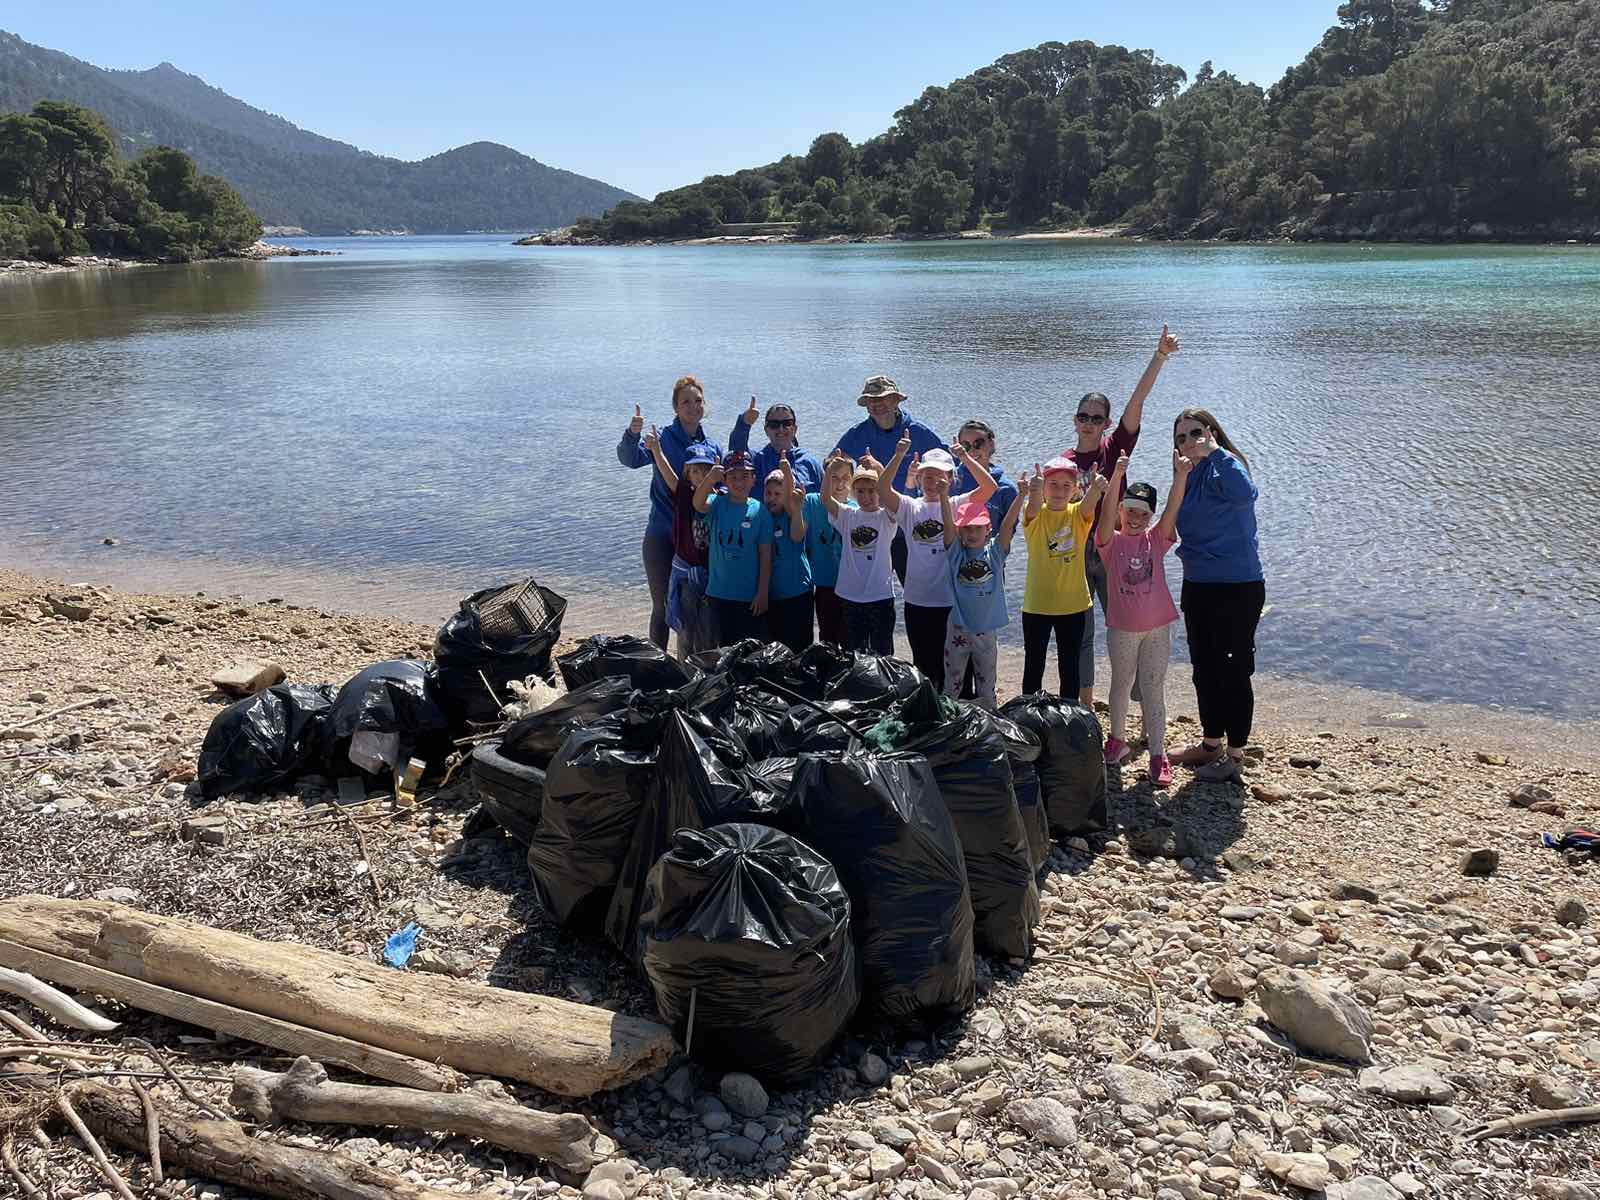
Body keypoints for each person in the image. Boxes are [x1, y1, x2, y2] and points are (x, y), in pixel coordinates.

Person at [1066, 326, 1181, 708]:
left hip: (1115, 550)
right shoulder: (1064, 464)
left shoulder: (1114, 448)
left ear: (1106, 425)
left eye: (1097, 418)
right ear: (1075, 419)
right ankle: (1085, 702)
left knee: (1130, 622)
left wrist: (1160, 357)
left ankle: (1139, 692)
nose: (1089, 423)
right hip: (1081, 553)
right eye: (1084, 416)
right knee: (1083, 629)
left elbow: (1137, 400)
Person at [1169, 408, 1264, 784]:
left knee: (1234, 669)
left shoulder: (1229, 464)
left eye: (1195, 433)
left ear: (1210, 432)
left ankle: (1236, 753)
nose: (1188, 441)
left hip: (1238, 585)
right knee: (1203, 667)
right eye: (1181, 437)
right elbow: (1173, 521)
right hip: (1198, 583)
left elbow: (1245, 495)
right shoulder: (1188, 475)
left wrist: (1214, 452)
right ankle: (1210, 743)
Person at [1094, 450, 1192, 788]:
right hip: (1122, 629)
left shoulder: (1156, 541)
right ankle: (1117, 741)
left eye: (1142, 513)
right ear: (1122, 511)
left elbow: (1171, 510)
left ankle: (1157, 753)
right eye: (1130, 511)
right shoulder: (1110, 542)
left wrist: (1180, 476)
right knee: (1120, 684)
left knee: (1153, 688)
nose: (1136, 518)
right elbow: (1105, 515)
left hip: (1158, 628)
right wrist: (1117, 477)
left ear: (1149, 518)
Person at [616, 377, 724, 650]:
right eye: (685, 402)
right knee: (662, 606)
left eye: (697, 401)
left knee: (698, 603)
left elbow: (723, 492)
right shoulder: (662, 437)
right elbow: (630, 459)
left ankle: (691, 663)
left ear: (705, 405)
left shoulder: (712, 447)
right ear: (675, 407)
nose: (692, 406)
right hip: (662, 534)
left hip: (699, 540)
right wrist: (632, 434)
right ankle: (657, 665)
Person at [881, 444, 996, 689]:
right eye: (928, 476)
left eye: (940, 476)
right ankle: (931, 714)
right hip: (917, 600)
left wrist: (964, 457)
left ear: (951, 479)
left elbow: (989, 487)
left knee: (957, 669)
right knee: (924, 665)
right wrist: (898, 455)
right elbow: (882, 489)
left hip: (952, 602)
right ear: (919, 477)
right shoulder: (911, 507)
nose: (933, 482)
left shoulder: (957, 504)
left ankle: (958, 714)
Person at [834, 375, 944, 584]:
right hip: (874, 526)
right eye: (871, 400)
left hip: (911, 529)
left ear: (895, 400)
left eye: (883, 398)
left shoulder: (919, 432)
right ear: (866, 405)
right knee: (871, 589)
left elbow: (950, 469)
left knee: (918, 589)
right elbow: (833, 464)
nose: (877, 404)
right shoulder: (857, 434)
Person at [1020, 457, 1108, 697]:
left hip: (1073, 605)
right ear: (1044, 487)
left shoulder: (1077, 515)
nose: (1059, 490)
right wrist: (1035, 490)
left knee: (1070, 667)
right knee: (1033, 665)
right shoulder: (1035, 517)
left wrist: (1097, 488)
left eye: (1066, 485)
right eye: (1053, 484)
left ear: (1076, 489)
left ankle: (1069, 715)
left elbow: (1089, 504)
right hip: (1037, 605)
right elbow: (1032, 508)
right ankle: (1029, 716)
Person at [950, 418, 1019, 698]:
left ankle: (985, 701)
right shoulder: (952, 481)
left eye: (978, 443)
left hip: (987, 574)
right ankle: (960, 703)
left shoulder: (1006, 488)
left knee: (984, 648)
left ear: (991, 443)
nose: (972, 449)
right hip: (954, 574)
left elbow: (1006, 536)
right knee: (956, 649)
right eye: (965, 445)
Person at [939, 490, 1024, 710]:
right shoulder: (957, 553)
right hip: (958, 629)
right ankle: (950, 720)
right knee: (952, 685)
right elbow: (947, 528)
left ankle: (989, 724)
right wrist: (942, 496)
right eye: (967, 528)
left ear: (988, 530)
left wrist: (1021, 496)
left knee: (987, 687)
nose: (972, 533)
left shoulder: (994, 553)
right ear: (960, 531)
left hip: (986, 632)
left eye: (978, 527)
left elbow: (1007, 527)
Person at [823, 440, 911, 655]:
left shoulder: (886, 516)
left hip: (880, 595)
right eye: (860, 491)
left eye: (872, 491)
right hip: (851, 595)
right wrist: (830, 471)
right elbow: (826, 498)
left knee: (883, 652)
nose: (867, 496)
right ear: (854, 493)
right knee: (854, 651)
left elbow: (888, 491)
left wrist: (881, 466)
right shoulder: (848, 515)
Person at [643, 429, 719, 660]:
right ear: (687, 472)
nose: (699, 475)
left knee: (708, 632)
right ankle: (683, 669)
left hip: (711, 575)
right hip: (687, 575)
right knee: (685, 630)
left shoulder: (721, 497)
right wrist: (656, 450)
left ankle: (705, 674)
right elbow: (667, 474)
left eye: (705, 470)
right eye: (694, 471)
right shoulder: (684, 494)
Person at [692, 450, 773, 647]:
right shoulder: (717, 503)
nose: (739, 483)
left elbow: (765, 555)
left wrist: (762, 592)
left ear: (754, 479)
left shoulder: (760, 511)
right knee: (721, 650)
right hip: (718, 594)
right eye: (733, 477)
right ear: (725, 480)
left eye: (745, 476)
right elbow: (697, 503)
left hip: (748, 596)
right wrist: (711, 478)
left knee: (748, 651)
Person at [763, 460, 814, 652]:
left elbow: (797, 535)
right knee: (776, 650)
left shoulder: (795, 515)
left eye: (778, 494)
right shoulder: (762, 517)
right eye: (768, 493)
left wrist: (786, 470)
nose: (772, 498)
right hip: (773, 596)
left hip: (798, 594)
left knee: (800, 649)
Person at [805, 451, 853, 645]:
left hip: (851, 584)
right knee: (827, 636)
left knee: (849, 637)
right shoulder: (812, 502)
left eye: (845, 478)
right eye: (834, 477)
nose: (840, 483)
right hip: (825, 583)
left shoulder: (855, 508)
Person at [728, 398, 824, 492]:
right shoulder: (757, 460)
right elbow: (736, 450)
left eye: (787, 423)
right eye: (774, 424)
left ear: (795, 429)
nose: (781, 429)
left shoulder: (810, 462)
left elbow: (825, 497)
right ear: (766, 429)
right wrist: (744, 423)